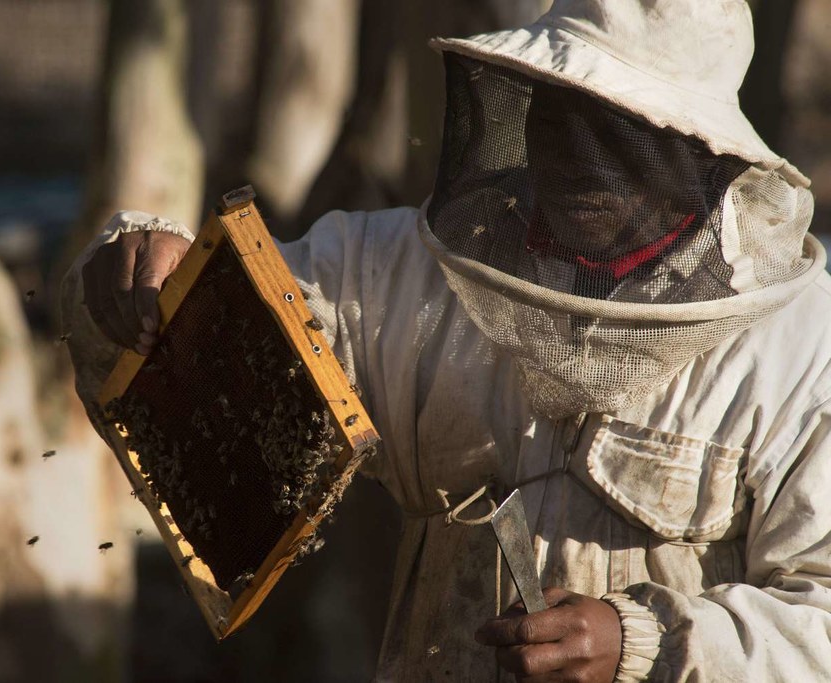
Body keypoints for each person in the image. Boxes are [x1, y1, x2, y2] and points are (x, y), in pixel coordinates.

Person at [63, 1, 831, 680]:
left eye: (623, 132)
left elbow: (822, 620)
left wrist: (645, 642)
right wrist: (143, 275)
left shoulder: (796, 346)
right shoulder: (414, 271)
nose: (578, 152)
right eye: (562, 110)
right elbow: (234, 324)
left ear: (703, 159)